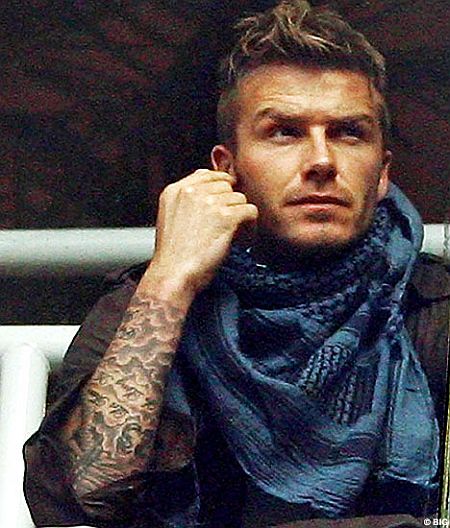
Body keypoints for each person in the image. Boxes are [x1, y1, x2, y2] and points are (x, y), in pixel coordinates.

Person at [23, 1, 450, 527]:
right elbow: (82, 498)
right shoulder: (151, 301)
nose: (322, 161)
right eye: (284, 132)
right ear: (228, 170)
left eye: (348, 133)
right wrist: (170, 281)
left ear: (382, 173)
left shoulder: (434, 310)